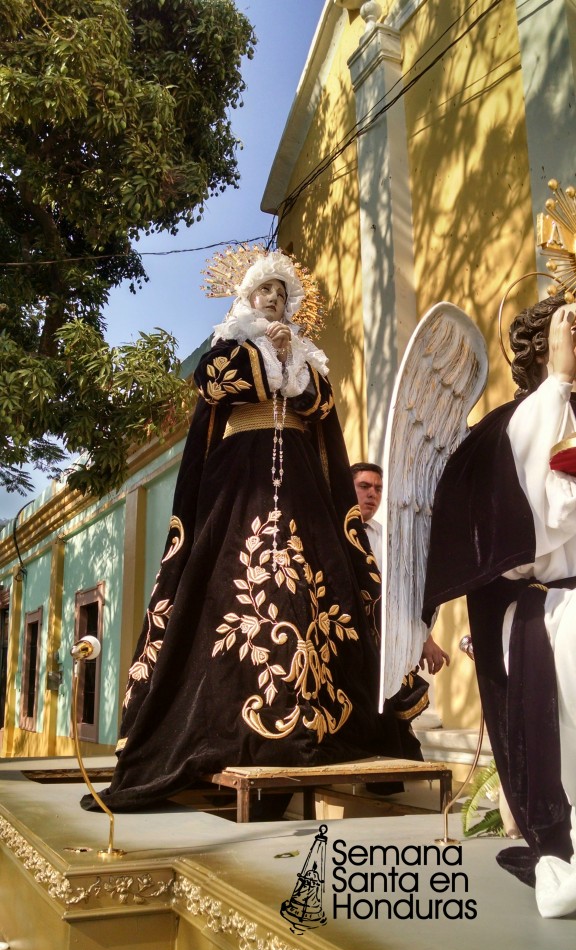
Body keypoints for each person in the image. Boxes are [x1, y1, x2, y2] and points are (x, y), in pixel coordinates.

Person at [84, 251, 413, 813]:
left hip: (303, 484)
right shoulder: (229, 346)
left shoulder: (309, 356)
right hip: (240, 477)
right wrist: (267, 360)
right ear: (247, 298)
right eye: (266, 293)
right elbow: (213, 384)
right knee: (223, 581)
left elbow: (322, 410)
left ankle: (310, 709)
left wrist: (295, 368)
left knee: (314, 586)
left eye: (283, 296)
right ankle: (217, 719)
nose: (274, 303)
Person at [423, 291, 576, 913]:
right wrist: (560, 381)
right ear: (546, 348)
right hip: (546, 612)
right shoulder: (511, 425)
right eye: (571, 332)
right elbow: (538, 519)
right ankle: (562, 847)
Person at [351, 462, 450, 676]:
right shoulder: (330, 534)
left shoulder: (388, 538)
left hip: (381, 646)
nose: (372, 494)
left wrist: (424, 637)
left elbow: (400, 594)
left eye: (378, 489)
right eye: (364, 486)